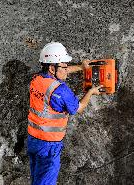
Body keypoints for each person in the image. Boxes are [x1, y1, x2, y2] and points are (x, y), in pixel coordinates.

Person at [27, 42, 103, 185]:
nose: (67, 70)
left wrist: (81, 67)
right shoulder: (61, 91)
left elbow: (60, 71)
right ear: (51, 68)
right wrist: (91, 92)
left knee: (37, 179)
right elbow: (78, 108)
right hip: (49, 145)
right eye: (64, 66)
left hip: (33, 140)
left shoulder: (36, 79)